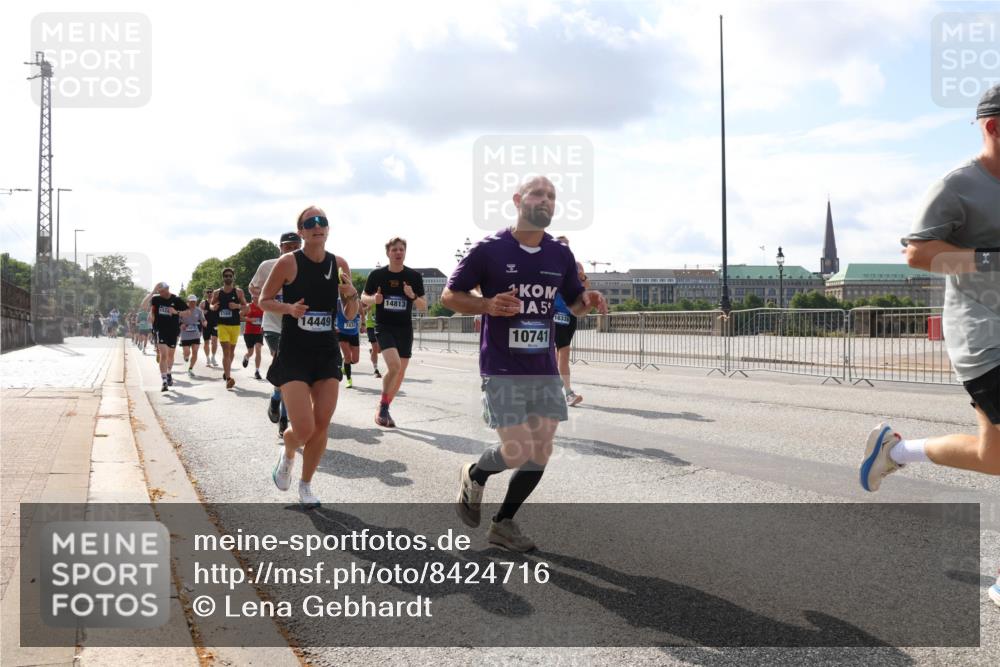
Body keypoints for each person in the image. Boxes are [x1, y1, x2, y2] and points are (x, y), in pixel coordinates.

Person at [857, 85, 1000, 608]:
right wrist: (990, 261)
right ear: (993, 127)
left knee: (995, 455)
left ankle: (896, 450)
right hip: (987, 337)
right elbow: (919, 255)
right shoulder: (957, 186)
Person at [443, 176, 607, 551]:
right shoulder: (490, 249)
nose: (546, 200)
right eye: (538, 193)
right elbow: (451, 295)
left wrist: (590, 299)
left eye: (552, 196)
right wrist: (486, 305)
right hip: (501, 365)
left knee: (541, 451)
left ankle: (504, 523)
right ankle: (474, 472)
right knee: (516, 450)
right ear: (518, 200)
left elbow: (573, 303)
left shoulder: (559, 254)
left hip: (543, 367)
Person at [261, 206, 358, 507]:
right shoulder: (288, 262)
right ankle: (288, 452)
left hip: (325, 351)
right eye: (310, 223)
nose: (318, 226)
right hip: (294, 351)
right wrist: (289, 309)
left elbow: (351, 313)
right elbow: (263, 300)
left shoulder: (339, 264)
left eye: (322, 222)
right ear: (301, 231)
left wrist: (352, 293)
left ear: (328, 229)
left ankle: (306, 485)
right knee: (303, 428)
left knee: (322, 423)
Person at [362, 238, 427, 427]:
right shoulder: (377, 275)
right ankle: (383, 407)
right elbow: (364, 298)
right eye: (394, 250)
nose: (398, 253)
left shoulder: (414, 277)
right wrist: (375, 298)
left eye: (401, 249)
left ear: (405, 252)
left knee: (400, 372)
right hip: (384, 327)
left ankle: (384, 406)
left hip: (405, 329)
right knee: (394, 366)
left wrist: (412, 296)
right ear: (388, 253)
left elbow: (423, 307)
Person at [251, 232, 303, 437]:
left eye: (295, 246)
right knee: (285, 368)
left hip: (298, 327)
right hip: (273, 326)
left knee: (291, 372)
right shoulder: (267, 265)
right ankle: (284, 420)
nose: (292, 250)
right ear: (280, 247)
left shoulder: (306, 267)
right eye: (288, 246)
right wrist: (262, 297)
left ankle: (275, 397)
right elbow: (253, 287)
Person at [554, 235, 590, 406]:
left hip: (571, 314)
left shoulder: (576, 265)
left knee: (557, 353)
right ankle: (568, 393)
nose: (565, 247)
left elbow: (585, 289)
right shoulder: (550, 262)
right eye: (562, 244)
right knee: (564, 352)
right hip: (556, 312)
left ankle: (552, 388)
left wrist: (582, 278)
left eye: (567, 245)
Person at [210, 268, 248, 389]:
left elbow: (246, 308)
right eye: (225, 276)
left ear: (233, 277)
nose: (228, 277)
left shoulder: (238, 292)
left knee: (231, 352)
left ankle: (226, 371)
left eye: (230, 276)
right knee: (226, 351)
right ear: (223, 278)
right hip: (222, 325)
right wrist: (213, 307)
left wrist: (237, 305)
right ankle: (228, 378)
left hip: (235, 325)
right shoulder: (217, 292)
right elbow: (211, 305)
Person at [149, 282, 188, 392]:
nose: (160, 293)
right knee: (163, 355)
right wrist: (153, 292)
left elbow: (188, 312)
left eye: (162, 291)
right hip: (161, 330)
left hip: (173, 331)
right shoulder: (156, 299)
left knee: (170, 355)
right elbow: (143, 305)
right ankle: (164, 380)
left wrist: (177, 312)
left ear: (168, 289)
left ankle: (169, 372)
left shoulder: (176, 300)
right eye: (159, 291)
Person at [337, 292, 362, 388]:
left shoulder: (356, 301)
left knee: (355, 360)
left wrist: (363, 323)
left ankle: (346, 364)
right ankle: (349, 379)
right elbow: (332, 313)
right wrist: (335, 325)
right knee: (347, 356)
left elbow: (361, 312)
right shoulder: (338, 302)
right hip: (342, 332)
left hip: (354, 333)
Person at [178, 294, 207, 376]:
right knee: (187, 352)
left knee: (195, 352)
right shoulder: (183, 310)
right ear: (188, 302)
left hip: (195, 334)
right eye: (191, 302)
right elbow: (178, 320)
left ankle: (190, 369)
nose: (193, 303)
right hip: (185, 335)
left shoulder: (198, 311)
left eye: (194, 301)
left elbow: (203, 319)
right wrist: (181, 325)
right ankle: (185, 356)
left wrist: (205, 323)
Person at [241, 297, 265, 380]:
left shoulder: (263, 306)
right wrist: (250, 319)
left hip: (259, 332)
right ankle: (246, 357)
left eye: (258, 296)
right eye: (255, 297)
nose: (257, 298)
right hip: (249, 332)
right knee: (250, 352)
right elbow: (240, 316)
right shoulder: (248, 306)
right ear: (252, 297)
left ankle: (257, 371)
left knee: (258, 349)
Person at [200, 288, 220, 367]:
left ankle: (213, 357)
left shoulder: (217, 302)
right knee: (206, 342)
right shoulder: (203, 302)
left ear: (213, 293)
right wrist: (203, 318)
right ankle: (207, 358)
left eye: (210, 292)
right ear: (205, 293)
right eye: (207, 292)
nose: (209, 293)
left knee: (214, 341)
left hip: (215, 324)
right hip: (206, 324)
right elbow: (199, 313)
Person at [363, 302, 381, 378]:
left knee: (379, 350)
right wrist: (367, 308)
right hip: (370, 325)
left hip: (380, 325)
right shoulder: (367, 296)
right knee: (375, 347)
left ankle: (373, 351)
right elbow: (360, 310)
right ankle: (376, 370)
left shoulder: (382, 296)